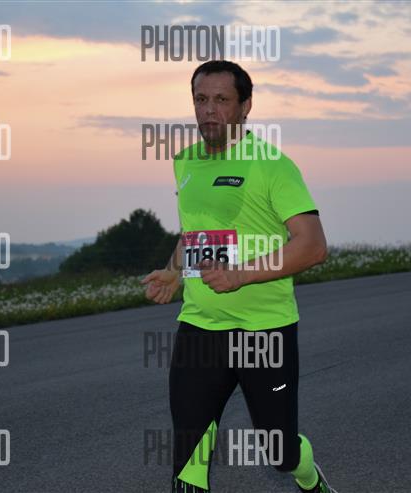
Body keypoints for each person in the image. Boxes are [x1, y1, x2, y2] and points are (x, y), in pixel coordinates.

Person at [141, 60, 337, 492]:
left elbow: (313, 245)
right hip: (200, 327)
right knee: (189, 459)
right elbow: (196, 231)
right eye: (200, 99)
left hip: (263, 330)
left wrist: (241, 276)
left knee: (280, 454)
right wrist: (174, 272)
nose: (209, 110)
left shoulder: (272, 166)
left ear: (246, 106)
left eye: (221, 100)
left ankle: (310, 479)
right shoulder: (186, 161)